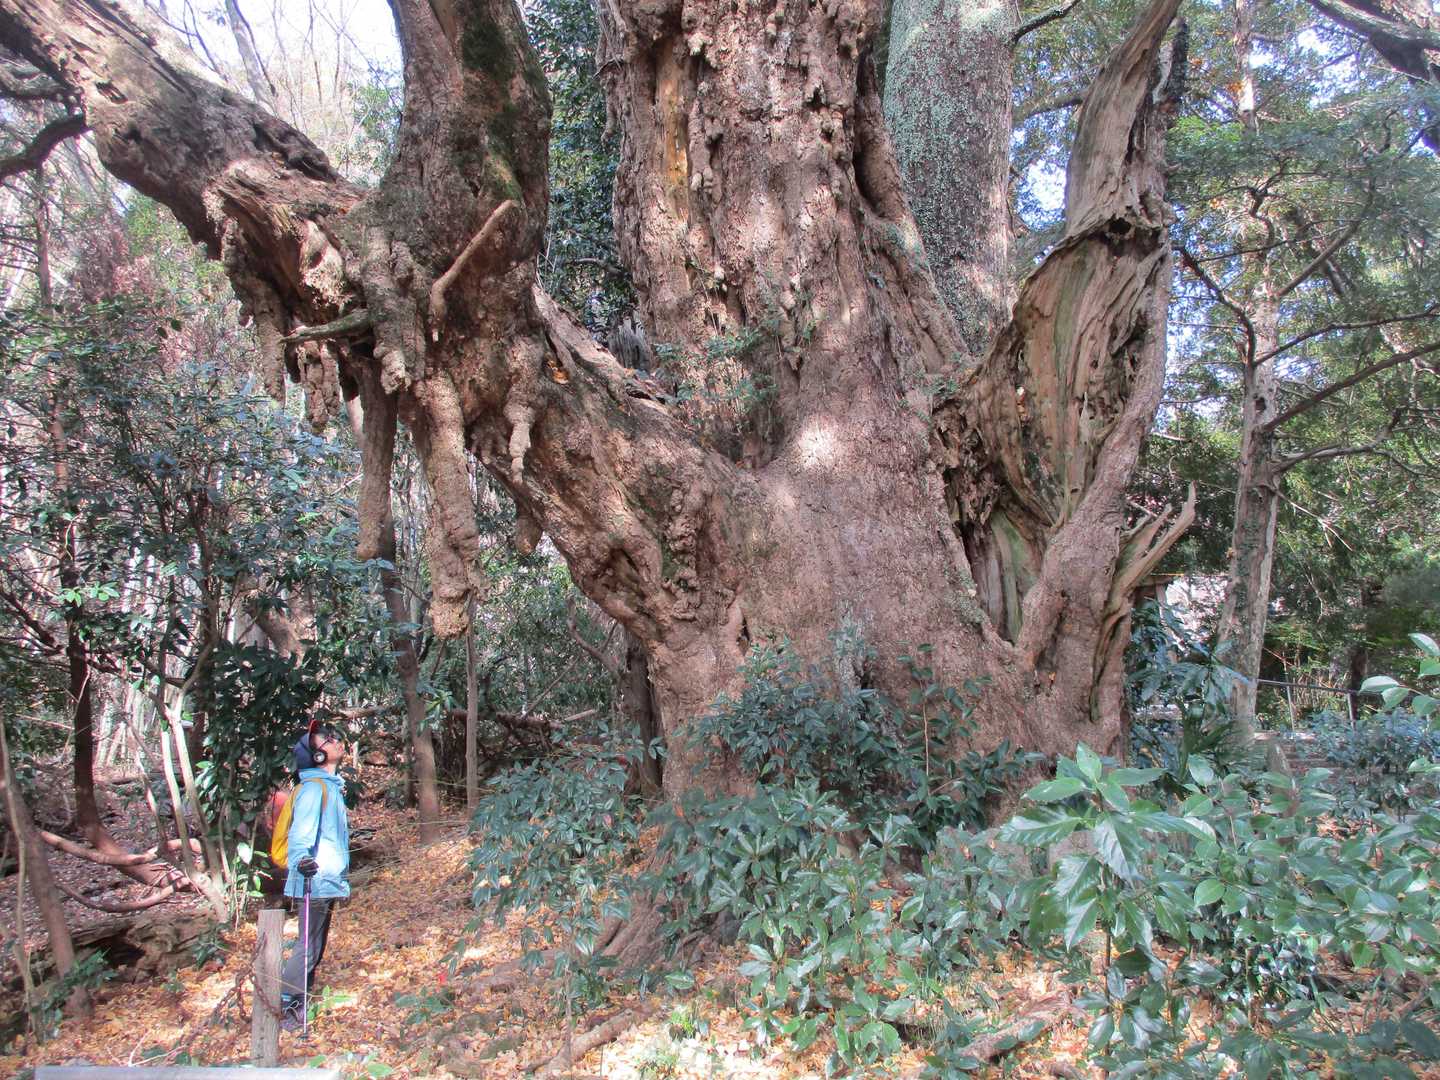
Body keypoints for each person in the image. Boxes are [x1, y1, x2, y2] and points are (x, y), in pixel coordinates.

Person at [278, 721, 350, 1033]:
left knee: (315, 945)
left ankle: (299, 1002)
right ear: (317, 757)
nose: (336, 741)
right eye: (328, 740)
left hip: (326, 881)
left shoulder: (330, 788)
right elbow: (299, 837)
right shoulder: (313, 790)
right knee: (308, 946)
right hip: (313, 881)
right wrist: (301, 861)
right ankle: (287, 1005)